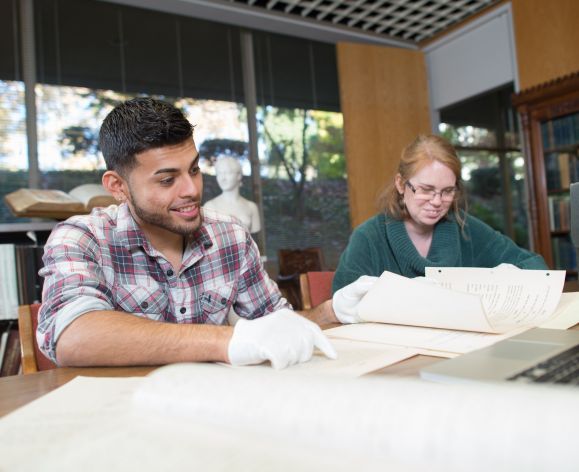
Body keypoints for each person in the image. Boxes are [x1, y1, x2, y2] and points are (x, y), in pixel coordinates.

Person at [37, 97, 337, 370]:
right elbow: (74, 337)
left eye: (194, 170)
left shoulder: (231, 235)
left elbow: (274, 325)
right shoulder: (80, 238)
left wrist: (329, 312)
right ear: (118, 186)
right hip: (122, 416)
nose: (192, 190)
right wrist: (225, 342)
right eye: (167, 180)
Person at [331, 134, 547, 323]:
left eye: (447, 191)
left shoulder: (466, 228)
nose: (437, 201)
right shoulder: (368, 238)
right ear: (400, 184)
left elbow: (536, 266)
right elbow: (340, 309)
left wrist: (503, 277)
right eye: (426, 190)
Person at [204, 157, 261, 234]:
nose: (223, 178)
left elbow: (256, 238)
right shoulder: (209, 207)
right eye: (219, 173)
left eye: (228, 173)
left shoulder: (251, 207)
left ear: (239, 176)